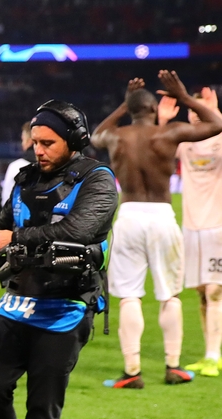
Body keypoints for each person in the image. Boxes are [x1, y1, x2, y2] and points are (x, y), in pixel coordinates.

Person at [0, 100, 118, 419]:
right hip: (16, 302)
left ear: (74, 140)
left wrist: (14, 237)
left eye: (47, 143)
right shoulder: (24, 178)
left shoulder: (98, 179)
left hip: (66, 308)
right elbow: (1, 230)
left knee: (42, 409)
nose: (37, 150)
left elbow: (78, 231)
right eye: (35, 142)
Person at [92, 72, 222, 388]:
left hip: (130, 215)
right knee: (169, 296)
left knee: (129, 297)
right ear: (154, 110)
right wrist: (186, 98)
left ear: (132, 109)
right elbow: (216, 125)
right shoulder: (169, 133)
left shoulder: (118, 137)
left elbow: (96, 135)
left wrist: (122, 107)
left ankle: (132, 372)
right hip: (163, 216)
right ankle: (173, 367)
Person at [158, 87, 222, 377]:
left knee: (215, 290)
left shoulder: (219, 140)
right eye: (192, 111)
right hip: (191, 227)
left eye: (200, 110)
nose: (196, 116)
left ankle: (213, 354)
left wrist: (215, 111)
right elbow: (160, 147)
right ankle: (211, 352)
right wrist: (163, 122)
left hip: (217, 225)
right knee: (201, 293)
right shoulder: (186, 142)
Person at [1, 121, 36, 205]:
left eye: (23, 140)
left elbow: (6, 200)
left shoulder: (15, 167)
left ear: (30, 141)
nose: (22, 144)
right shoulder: (53, 166)